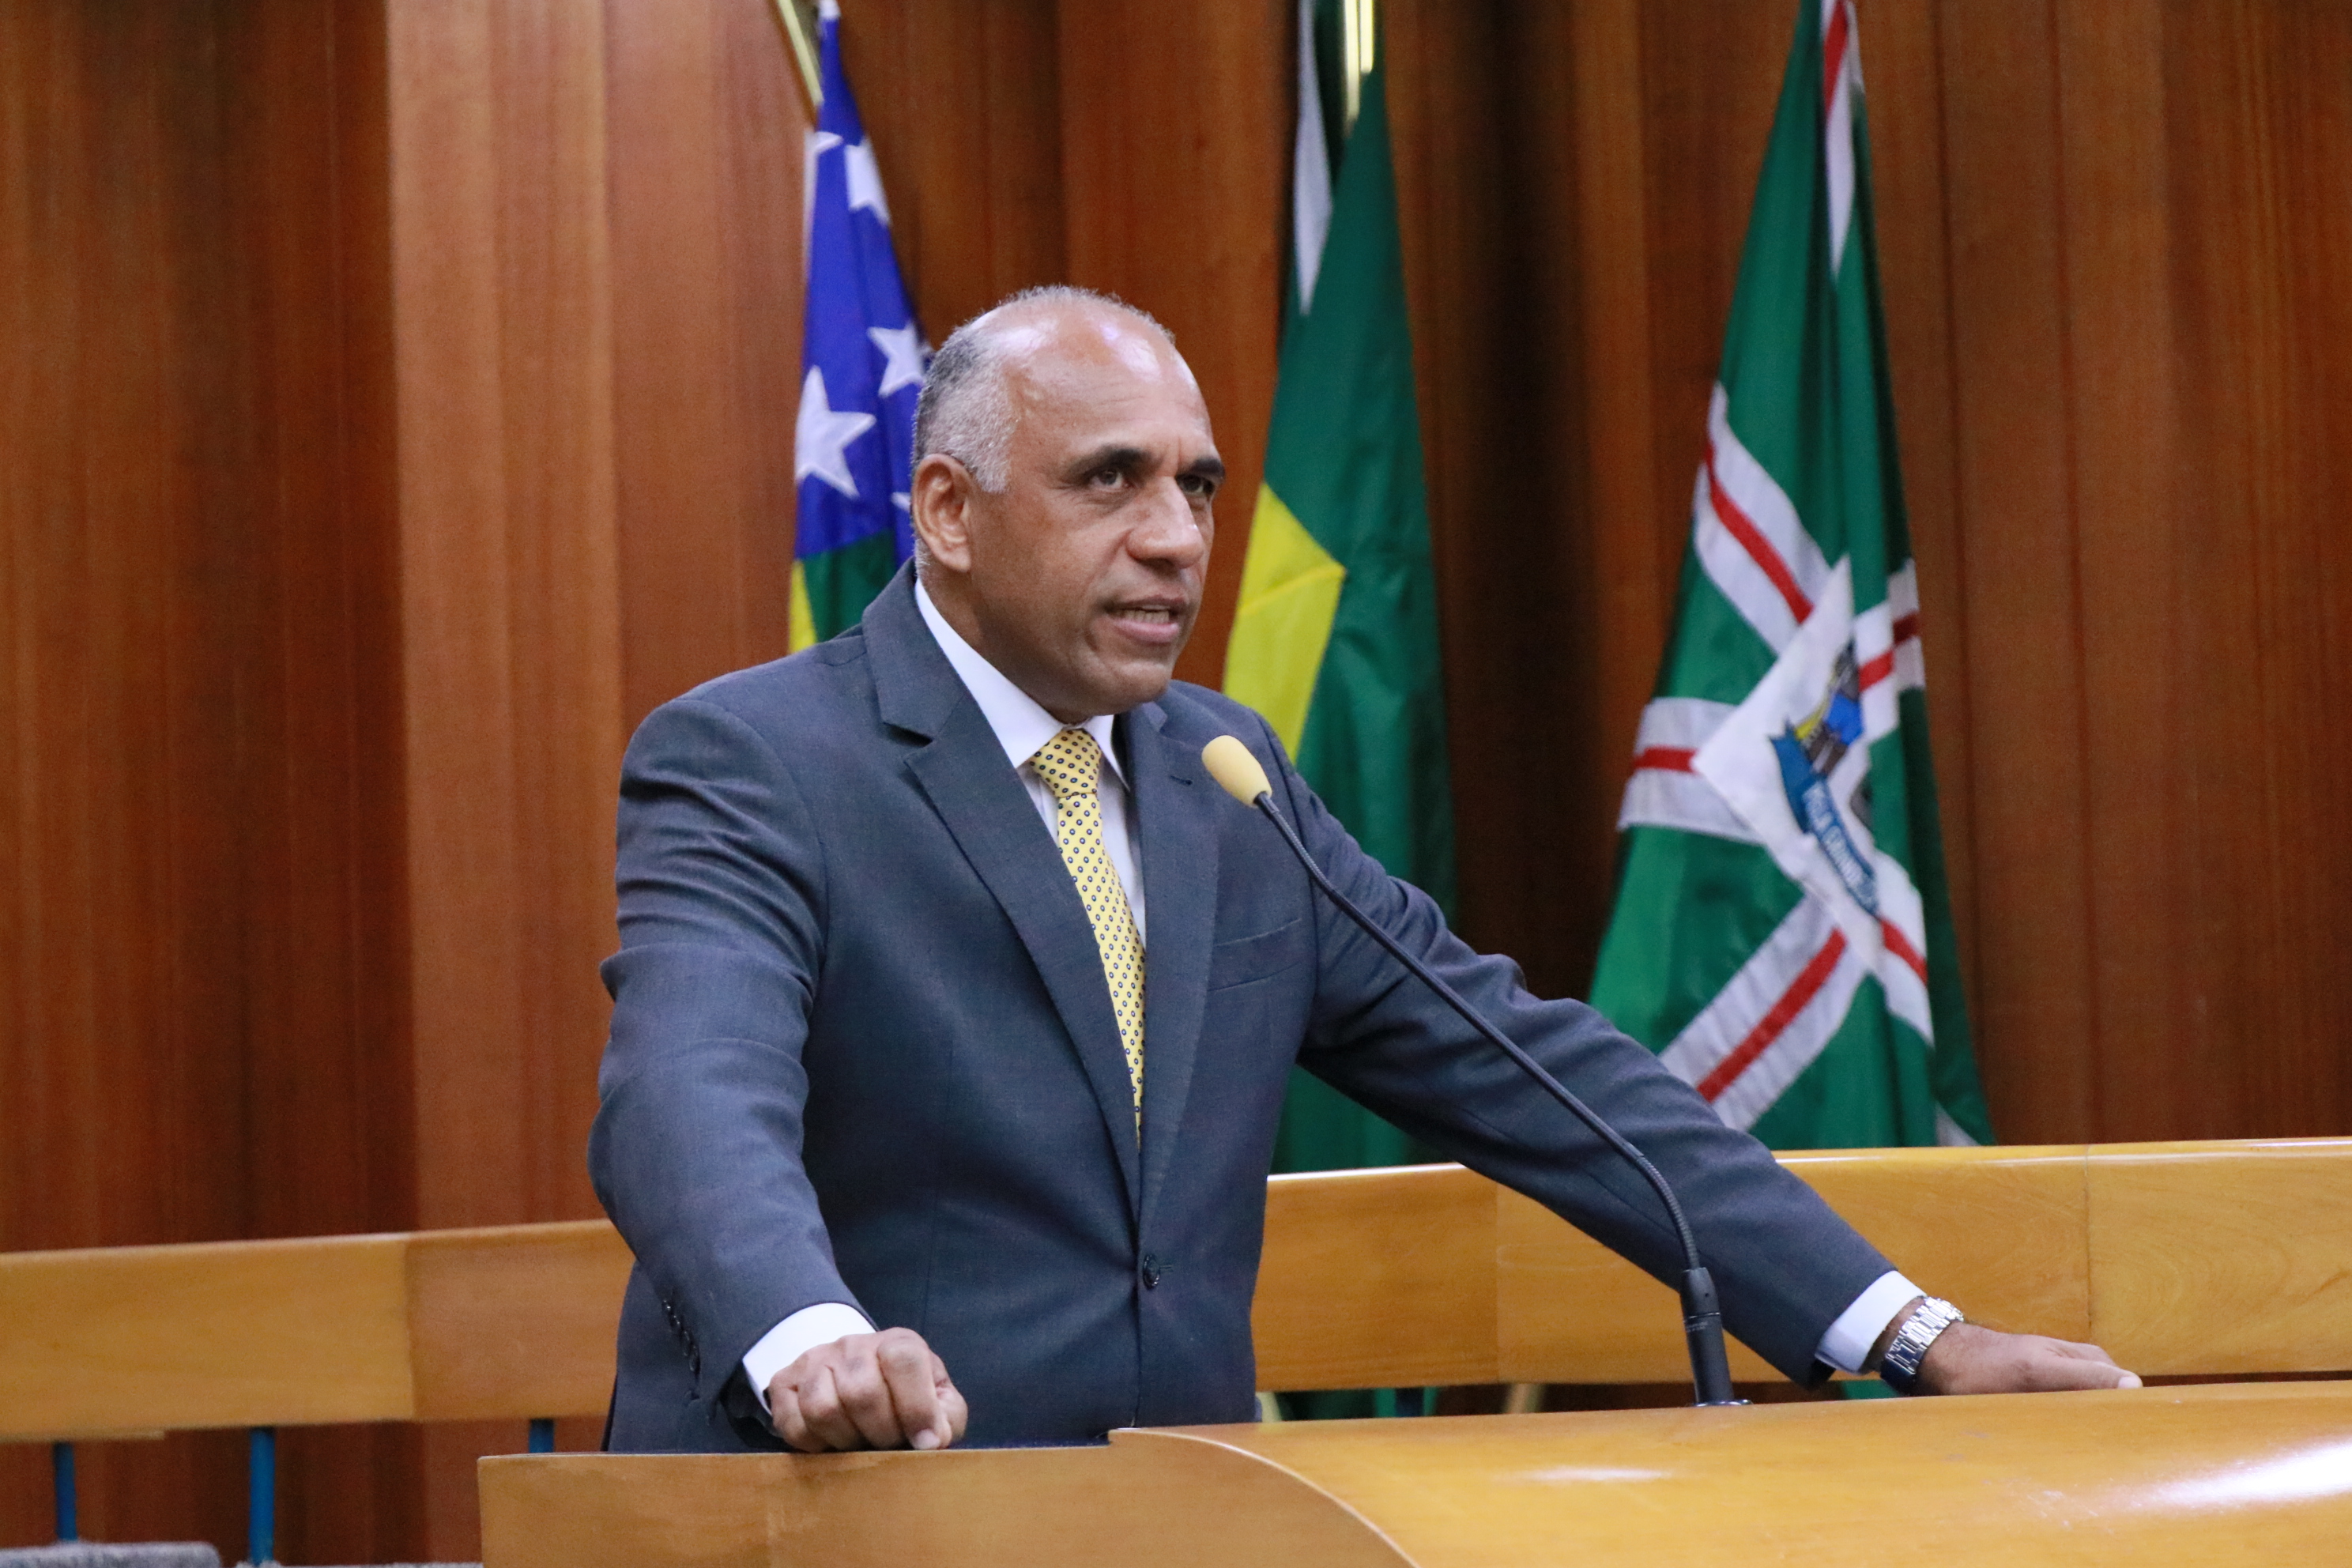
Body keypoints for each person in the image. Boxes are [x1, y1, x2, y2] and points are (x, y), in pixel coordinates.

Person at [590, 286, 2136, 1455]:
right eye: (1111, 481)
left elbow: (1533, 1067)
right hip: (848, 1515)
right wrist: (808, 1336)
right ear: (947, 510)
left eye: (1198, 486)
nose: (1176, 539)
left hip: (1183, 1522)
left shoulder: (1222, 775)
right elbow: (688, 1091)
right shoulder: (760, 758)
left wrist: (1911, 1333)